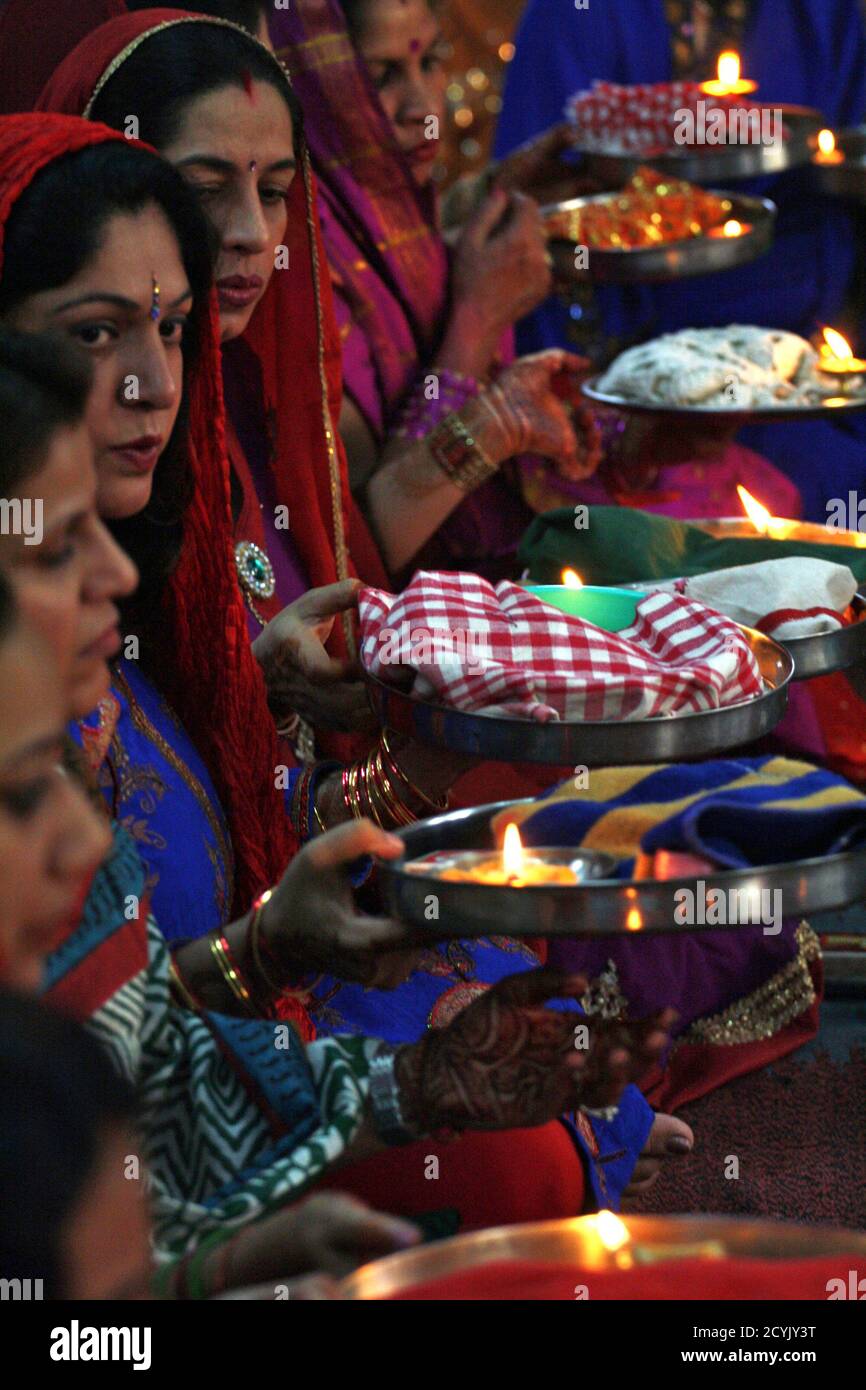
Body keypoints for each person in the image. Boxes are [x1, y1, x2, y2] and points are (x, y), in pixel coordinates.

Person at [0, 124, 685, 1230]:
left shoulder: (167, 531)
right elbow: (79, 1107)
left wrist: (403, 1086)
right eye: (95, 332)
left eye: (171, 331)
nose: (153, 382)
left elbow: (137, 1037)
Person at [495, 0, 866, 523]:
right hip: (629, 387)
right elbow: (536, 230)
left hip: (801, 373)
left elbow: (843, 162)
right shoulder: (575, 15)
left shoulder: (821, 13)